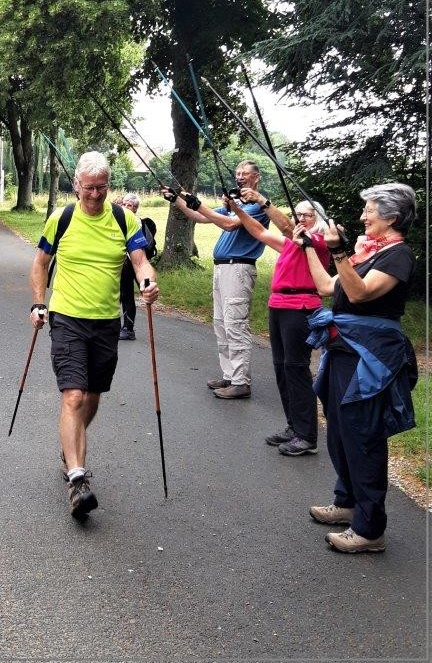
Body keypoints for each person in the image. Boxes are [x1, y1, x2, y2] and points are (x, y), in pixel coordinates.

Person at [29, 151, 159, 519]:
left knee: (93, 396)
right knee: (73, 394)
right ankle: (77, 477)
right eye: (88, 188)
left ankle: (70, 446)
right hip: (67, 317)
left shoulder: (124, 218)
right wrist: (39, 303)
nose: (95, 196)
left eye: (101, 188)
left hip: (106, 321)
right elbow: (40, 263)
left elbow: (140, 262)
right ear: (76, 186)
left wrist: (148, 282)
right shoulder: (62, 218)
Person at [296, 182, 417, 554]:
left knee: (362, 436)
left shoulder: (398, 256)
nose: (363, 216)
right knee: (339, 431)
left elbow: (362, 292)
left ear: (392, 218)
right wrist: (311, 251)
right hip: (344, 350)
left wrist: (340, 251)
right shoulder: (367, 252)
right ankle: (346, 503)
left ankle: (370, 529)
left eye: (370, 210)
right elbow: (327, 287)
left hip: (370, 358)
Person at [224, 192, 330, 455]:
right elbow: (259, 231)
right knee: (282, 369)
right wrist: (237, 209)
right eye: (299, 214)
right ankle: (294, 427)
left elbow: (286, 226)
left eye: (308, 215)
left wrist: (262, 200)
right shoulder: (293, 243)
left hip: (301, 307)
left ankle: (307, 435)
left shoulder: (318, 242)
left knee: (296, 368)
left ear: (319, 220)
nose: (301, 219)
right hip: (279, 306)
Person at [163, 160, 271, 399]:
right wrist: (177, 200)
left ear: (256, 178)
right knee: (221, 323)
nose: (240, 177)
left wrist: (201, 205)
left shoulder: (255, 206)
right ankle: (230, 376)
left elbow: (229, 224)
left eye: (245, 173)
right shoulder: (236, 204)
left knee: (235, 325)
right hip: (222, 269)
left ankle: (241, 382)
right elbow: (202, 217)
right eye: (237, 173)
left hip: (239, 269)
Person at [118, 193, 157, 341]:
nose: (126, 207)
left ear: (135, 208)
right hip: (128, 263)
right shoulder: (124, 220)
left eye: (129, 205)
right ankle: (125, 327)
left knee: (128, 295)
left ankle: (128, 329)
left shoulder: (134, 221)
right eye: (124, 204)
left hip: (135, 263)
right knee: (125, 295)